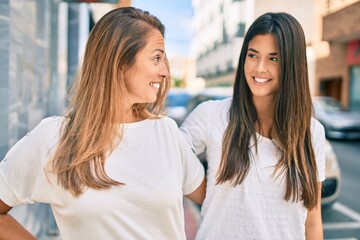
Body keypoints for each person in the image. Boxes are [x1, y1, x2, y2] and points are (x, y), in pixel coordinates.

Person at [0, 7, 205, 240]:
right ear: (119, 61)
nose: (166, 72)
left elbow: (219, 201)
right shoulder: (54, 137)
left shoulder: (167, 132)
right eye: (157, 58)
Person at [180, 12, 325, 240]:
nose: (259, 68)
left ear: (292, 65)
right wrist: (211, 196)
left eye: (273, 58)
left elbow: (313, 219)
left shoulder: (312, 131)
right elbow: (171, 160)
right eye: (252, 55)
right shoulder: (211, 115)